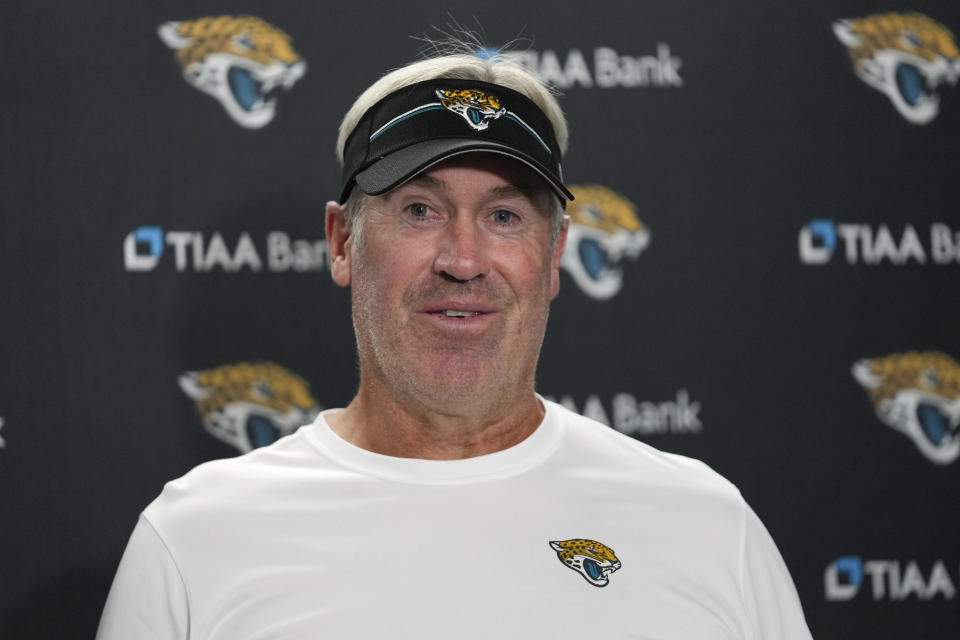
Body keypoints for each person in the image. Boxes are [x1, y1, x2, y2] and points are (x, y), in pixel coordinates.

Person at [97, 49, 814, 639]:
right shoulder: (195, 541)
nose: (463, 260)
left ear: (555, 253)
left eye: (504, 215)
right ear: (343, 242)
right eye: (419, 210)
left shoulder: (707, 528)